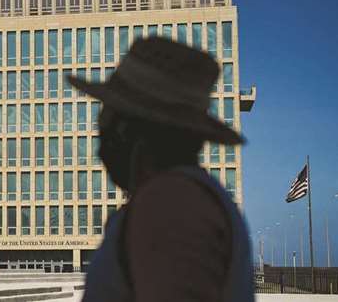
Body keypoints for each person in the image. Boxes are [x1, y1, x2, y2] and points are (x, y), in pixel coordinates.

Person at [68, 37, 254, 302]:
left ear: (128, 128)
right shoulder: (181, 196)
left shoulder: (171, 201)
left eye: (107, 114)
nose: (100, 132)